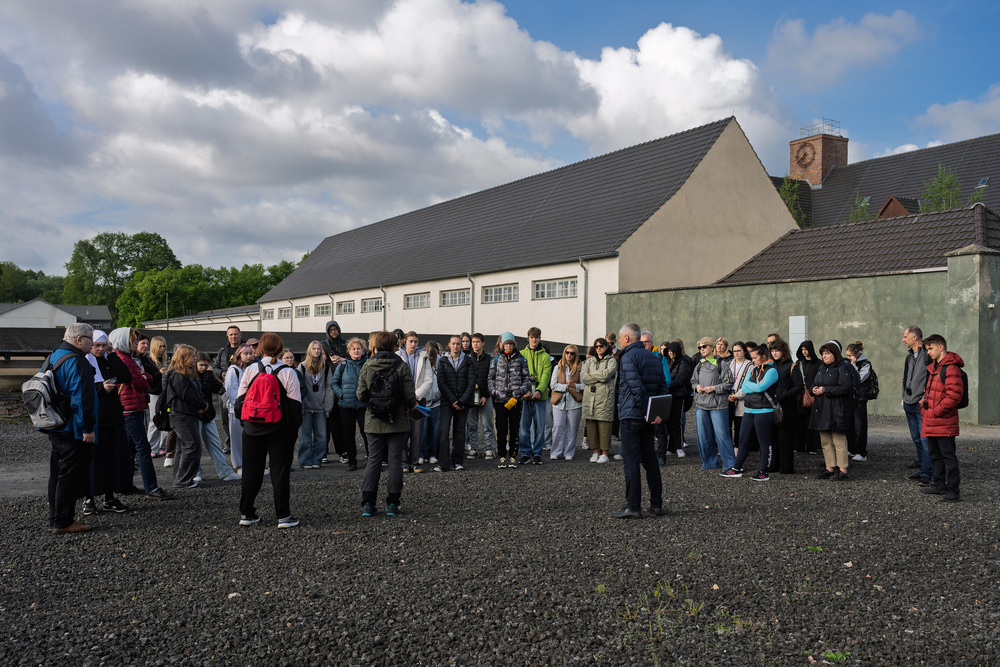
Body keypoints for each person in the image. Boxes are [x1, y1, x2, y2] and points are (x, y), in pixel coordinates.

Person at [237, 332, 303, 529]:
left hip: (252, 428)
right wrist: (293, 430)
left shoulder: (250, 370)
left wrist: (246, 424)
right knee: (279, 472)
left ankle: (246, 513)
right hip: (279, 429)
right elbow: (295, 407)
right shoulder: (288, 372)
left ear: (260, 349)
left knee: (251, 471)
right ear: (280, 349)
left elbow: (240, 401)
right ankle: (283, 516)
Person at [43, 324, 98, 533]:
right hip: (73, 428)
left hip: (56, 424)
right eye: (90, 339)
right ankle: (63, 521)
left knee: (57, 473)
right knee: (70, 474)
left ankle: (55, 517)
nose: (92, 343)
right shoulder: (77, 361)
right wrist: (87, 429)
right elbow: (82, 398)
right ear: (79, 340)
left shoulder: (53, 356)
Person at [357, 331, 418, 517]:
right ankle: (392, 503)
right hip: (397, 421)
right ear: (395, 345)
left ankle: (368, 503)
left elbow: (360, 395)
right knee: (395, 461)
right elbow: (409, 396)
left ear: (376, 346)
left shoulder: (368, 365)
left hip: (374, 421)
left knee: (374, 461)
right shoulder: (401, 365)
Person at [611, 323, 668, 519]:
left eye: (620, 337)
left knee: (631, 462)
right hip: (649, 417)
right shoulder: (653, 358)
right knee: (650, 460)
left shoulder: (628, 357)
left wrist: (645, 411)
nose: (619, 341)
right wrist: (656, 413)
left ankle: (633, 506)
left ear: (627, 338)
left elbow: (636, 387)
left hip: (632, 415)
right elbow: (662, 386)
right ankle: (656, 504)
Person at [109, 327, 172, 499]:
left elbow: (146, 378)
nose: (137, 344)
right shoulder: (125, 359)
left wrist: (144, 377)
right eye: (134, 341)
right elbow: (141, 381)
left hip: (130, 406)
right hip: (131, 408)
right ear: (125, 341)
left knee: (130, 449)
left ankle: (125, 485)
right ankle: (151, 487)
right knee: (143, 448)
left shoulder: (125, 358)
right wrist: (144, 377)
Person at [82, 330, 132, 516]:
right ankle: (89, 498)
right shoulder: (85, 363)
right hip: (95, 419)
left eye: (104, 346)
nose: (100, 349)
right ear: (90, 345)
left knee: (111, 460)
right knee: (93, 461)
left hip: (112, 417)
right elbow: (83, 389)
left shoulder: (107, 360)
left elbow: (126, 377)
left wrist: (113, 356)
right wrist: (101, 389)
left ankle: (109, 497)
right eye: (97, 346)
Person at [918, 334, 964, 502]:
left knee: (948, 456)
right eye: (927, 349)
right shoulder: (935, 368)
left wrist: (935, 411)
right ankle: (939, 485)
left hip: (943, 421)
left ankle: (953, 490)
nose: (928, 352)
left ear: (940, 347)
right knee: (935, 454)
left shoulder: (950, 368)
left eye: (930, 349)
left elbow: (954, 396)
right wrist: (924, 406)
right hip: (933, 420)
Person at [724, 345, 777, 480]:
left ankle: (763, 471)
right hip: (749, 409)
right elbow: (744, 387)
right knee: (743, 440)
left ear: (763, 357)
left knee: (763, 442)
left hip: (764, 411)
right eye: (752, 358)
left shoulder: (772, 371)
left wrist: (752, 387)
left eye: (755, 358)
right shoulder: (753, 369)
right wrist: (754, 387)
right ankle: (736, 468)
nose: (752, 360)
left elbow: (760, 388)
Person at [163, 345, 209, 488]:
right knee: (192, 446)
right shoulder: (178, 375)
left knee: (183, 446)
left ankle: (181, 479)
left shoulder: (183, 373)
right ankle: (183, 480)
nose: (195, 359)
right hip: (182, 414)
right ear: (184, 357)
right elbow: (187, 395)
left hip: (185, 413)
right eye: (193, 356)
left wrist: (201, 404)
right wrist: (202, 405)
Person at [809, 341, 854, 480]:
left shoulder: (842, 368)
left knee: (838, 439)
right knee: (825, 440)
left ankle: (843, 470)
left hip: (836, 408)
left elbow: (846, 388)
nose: (824, 356)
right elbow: (814, 383)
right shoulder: (822, 368)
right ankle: (830, 468)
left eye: (827, 353)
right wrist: (814, 389)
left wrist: (825, 390)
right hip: (822, 408)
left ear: (835, 354)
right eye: (823, 354)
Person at [691, 336, 735, 470]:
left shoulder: (721, 363)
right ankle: (710, 463)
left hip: (718, 406)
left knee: (722, 435)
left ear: (712, 347)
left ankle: (730, 464)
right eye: (699, 347)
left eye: (704, 346)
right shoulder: (699, 365)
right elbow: (693, 381)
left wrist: (714, 388)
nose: (701, 349)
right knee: (703, 437)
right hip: (701, 406)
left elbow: (729, 383)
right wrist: (696, 386)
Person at [195, 352, 240, 482]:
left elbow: (217, 388)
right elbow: (203, 390)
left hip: (208, 416)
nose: (203, 368)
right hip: (196, 416)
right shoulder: (194, 376)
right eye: (201, 365)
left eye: (206, 365)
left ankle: (225, 472)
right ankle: (196, 472)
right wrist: (209, 374)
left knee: (215, 444)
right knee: (195, 446)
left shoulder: (207, 376)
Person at [488, 332, 531, 468]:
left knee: (514, 429)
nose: (508, 346)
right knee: (501, 429)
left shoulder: (521, 359)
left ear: (514, 345)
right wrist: (494, 393)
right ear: (502, 344)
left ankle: (513, 456)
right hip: (500, 401)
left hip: (515, 401)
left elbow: (527, 380)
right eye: (506, 343)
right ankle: (501, 456)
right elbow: (490, 379)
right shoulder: (495, 360)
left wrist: (518, 393)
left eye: (510, 344)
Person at [435, 335, 475, 472]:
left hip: (463, 402)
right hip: (448, 402)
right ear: (449, 345)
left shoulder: (468, 361)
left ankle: (457, 462)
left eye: (458, 344)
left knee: (459, 432)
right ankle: (444, 463)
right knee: (444, 431)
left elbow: (471, 382)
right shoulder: (443, 361)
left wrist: (462, 400)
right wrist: (453, 400)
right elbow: (441, 382)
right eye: (454, 344)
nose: (456, 346)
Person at [332, 337, 369, 471]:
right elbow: (334, 383)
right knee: (348, 434)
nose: (356, 351)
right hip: (346, 406)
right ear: (349, 351)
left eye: (358, 348)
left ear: (362, 350)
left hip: (364, 406)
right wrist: (342, 394)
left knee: (367, 434)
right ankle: (352, 461)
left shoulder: (368, 365)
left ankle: (372, 461)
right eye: (353, 348)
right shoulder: (342, 366)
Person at [902, 326, 932, 484]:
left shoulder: (927, 355)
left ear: (915, 338)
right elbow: (905, 377)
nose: (903, 340)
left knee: (925, 440)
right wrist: (903, 397)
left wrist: (925, 398)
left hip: (921, 404)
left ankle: (927, 474)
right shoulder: (909, 357)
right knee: (916, 439)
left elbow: (932, 377)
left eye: (905, 336)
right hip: (908, 403)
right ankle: (923, 470)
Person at [297, 341, 334, 470]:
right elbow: (298, 388)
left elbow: (329, 388)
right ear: (309, 350)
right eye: (314, 349)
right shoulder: (302, 366)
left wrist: (328, 407)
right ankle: (305, 460)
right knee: (305, 436)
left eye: (319, 349)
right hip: (306, 407)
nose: (317, 351)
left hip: (320, 407)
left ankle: (317, 459)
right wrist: (299, 407)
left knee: (322, 436)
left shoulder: (326, 367)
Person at [769, 338, 803, 474]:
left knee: (785, 439)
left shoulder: (792, 366)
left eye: (777, 350)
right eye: (772, 350)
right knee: (774, 438)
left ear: (784, 351)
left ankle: (786, 467)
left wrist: (785, 395)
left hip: (787, 407)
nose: (774, 353)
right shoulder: (772, 366)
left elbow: (800, 386)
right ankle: (774, 465)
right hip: (772, 406)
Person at [518, 327, 552, 464]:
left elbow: (546, 375)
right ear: (527, 338)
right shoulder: (521, 354)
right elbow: (518, 375)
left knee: (540, 426)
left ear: (540, 338)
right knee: (524, 426)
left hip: (540, 397)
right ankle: (525, 452)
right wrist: (523, 391)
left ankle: (537, 453)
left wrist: (539, 390)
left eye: (536, 337)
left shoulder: (545, 356)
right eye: (531, 337)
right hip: (525, 396)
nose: (534, 340)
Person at [582, 338, 617, 464]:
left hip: (605, 398)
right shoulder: (589, 361)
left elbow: (606, 375)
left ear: (606, 346)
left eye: (601, 345)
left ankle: (605, 453)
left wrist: (593, 374)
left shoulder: (611, 360)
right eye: (596, 346)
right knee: (591, 425)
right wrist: (598, 376)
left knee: (604, 426)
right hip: (590, 398)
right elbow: (584, 377)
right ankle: (595, 451)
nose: (598, 348)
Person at [549, 345, 584, 460]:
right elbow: (553, 385)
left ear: (576, 354)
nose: (569, 355)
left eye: (572, 353)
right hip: (559, 402)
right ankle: (556, 452)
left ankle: (569, 453)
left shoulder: (581, 367)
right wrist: (566, 387)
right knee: (558, 427)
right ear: (564, 353)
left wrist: (574, 386)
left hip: (574, 402)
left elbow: (584, 385)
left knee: (572, 428)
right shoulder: (557, 367)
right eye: (567, 352)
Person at [465, 333, 496, 460]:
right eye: (473, 342)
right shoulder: (466, 359)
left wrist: (485, 395)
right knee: (472, 425)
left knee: (487, 424)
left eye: (478, 342)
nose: (475, 344)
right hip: (470, 398)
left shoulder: (490, 360)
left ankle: (488, 448)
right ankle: (474, 448)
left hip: (485, 397)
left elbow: (492, 380)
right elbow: (465, 378)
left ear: (483, 343)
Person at [212, 325, 243, 454]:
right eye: (231, 334)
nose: (233, 337)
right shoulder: (223, 351)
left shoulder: (245, 349)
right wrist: (222, 373)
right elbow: (215, 367)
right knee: (225, 417)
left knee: (240, 416)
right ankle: (229, 442)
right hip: (224, 389)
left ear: (240, 335)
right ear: (227, 336)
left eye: (235, 334)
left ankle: (241, 442)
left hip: (242, 388)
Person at [321, 321, 348, 463]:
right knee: (325, 423)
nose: (333, 332)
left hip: (343, 386)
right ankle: (323, 451)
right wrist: (330, 361)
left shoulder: (346, 344)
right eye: (331, 330)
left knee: (340, 423)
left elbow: (353, 359)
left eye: (335, 329)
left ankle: (342, 451)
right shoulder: (323, 344)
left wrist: (342, 359)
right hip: (327, 385)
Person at [224, 344, 254, 474]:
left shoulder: (250, 369)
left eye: (250, 353)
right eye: (246, 353)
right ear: (239, 355)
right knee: (236, 438)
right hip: (237, 410)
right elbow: (232, 392)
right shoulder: (233, 370)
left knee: (247, 438)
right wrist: (240, 406)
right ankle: (238, 465)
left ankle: (248, 463)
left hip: (249, 409)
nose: (249, 356)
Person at [664, 341, 692, 462]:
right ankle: (671, 447)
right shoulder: (668, 362)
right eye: (669, 352)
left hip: (678, 396)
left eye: (672, 352)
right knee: (669, 423)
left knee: (676, 422)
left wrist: (666, 387)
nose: (670, 354)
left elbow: (681, 378)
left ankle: (679, 446)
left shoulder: (683, 363)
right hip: (669, 395)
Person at [844, 342, 872, 462]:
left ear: (856, 355)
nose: (849, 358)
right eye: (847, 356)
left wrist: (853, 365)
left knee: (859, 425)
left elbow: (857, 379)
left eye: (850, 356)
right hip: (851, 398)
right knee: (850, 425)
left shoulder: (865, 365)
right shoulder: (849, 363)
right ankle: (852, 449)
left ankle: (861, 451)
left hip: (860, 398)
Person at [418, 341, 443, 467]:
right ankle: (422, 454)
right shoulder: (420, 363)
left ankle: (432, 454)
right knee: (423, 429)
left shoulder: (440, 364)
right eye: (429, 359)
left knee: (435, 429)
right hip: (423, 402)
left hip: (437, 401)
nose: (431, 361)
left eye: (432, 359)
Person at [795, 341, 821, 454]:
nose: (804, 352)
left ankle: (812, 446)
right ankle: (799, 446)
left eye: (806, 349)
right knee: (799, 422)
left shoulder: (818, 363)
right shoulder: (799, 363)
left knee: (812, 422)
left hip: (813, 395)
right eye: (802, 350)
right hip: (800, 395)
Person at [146, 336, 169, 458]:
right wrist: (158, 373)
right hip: (154, 393)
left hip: (165, 393)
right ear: (154, 347)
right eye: (160, 346)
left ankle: (163, 446)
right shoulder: (148, 361)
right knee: (155, 420)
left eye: (164, 346)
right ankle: (152, 447)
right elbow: (148, 379)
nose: (162, 349)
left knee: (166, 418)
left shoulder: (166, 360)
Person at [727, 342, 752, 450]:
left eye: (739, 351)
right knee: (727, 424)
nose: (736, 353)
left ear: (744, 351)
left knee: (739, 425)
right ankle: (728, 448)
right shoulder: (729, 363)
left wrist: (737, 395)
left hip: (741, 400)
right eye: (734, 351)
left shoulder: (750, 365)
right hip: (728, 398)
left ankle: (737, 447)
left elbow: (749, 384)